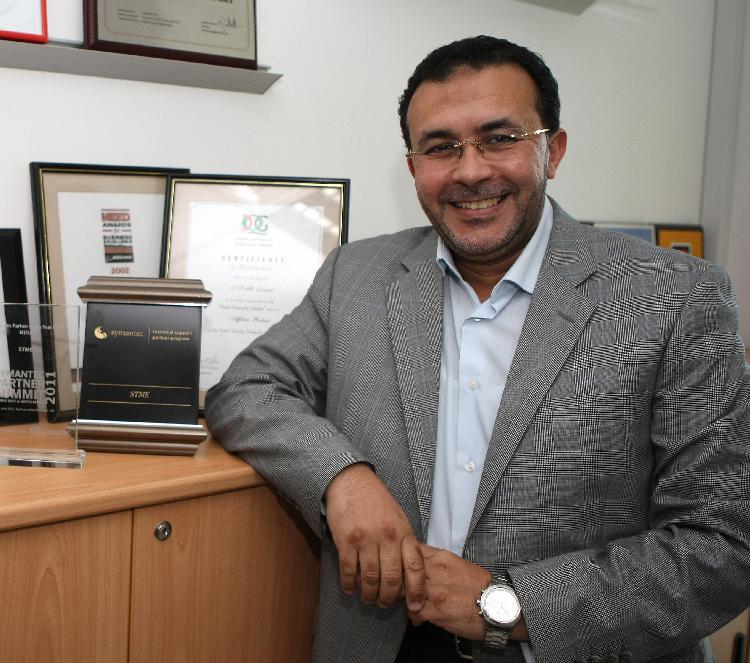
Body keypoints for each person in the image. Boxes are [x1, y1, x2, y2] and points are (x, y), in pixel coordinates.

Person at [205, 36, 750, 663]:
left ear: (553, 150)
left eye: (500, 138)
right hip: (382, 643)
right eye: (441, 147)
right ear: (413, 166)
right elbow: (247, 387)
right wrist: (342, 477)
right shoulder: (355, 275)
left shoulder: (675, 295)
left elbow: (724, 542)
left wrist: (507, 604)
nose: (470, 171)